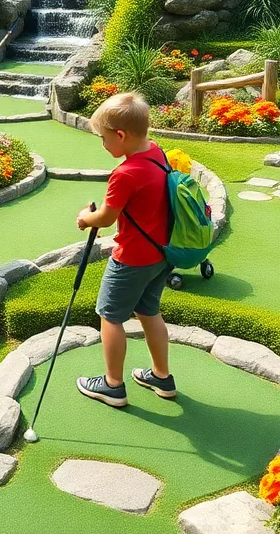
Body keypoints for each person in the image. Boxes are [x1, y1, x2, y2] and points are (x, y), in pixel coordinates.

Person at [74, 92, 177, 407]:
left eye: (104, 139)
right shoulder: (158, 153)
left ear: (120, 135)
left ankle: (112, 385)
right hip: (161, 255)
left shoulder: (125, 173)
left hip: (131, 258)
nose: (103, 145)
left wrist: (84, 218)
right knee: (149, 311)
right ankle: (161, 377)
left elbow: (105, 218)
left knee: (110, 316)